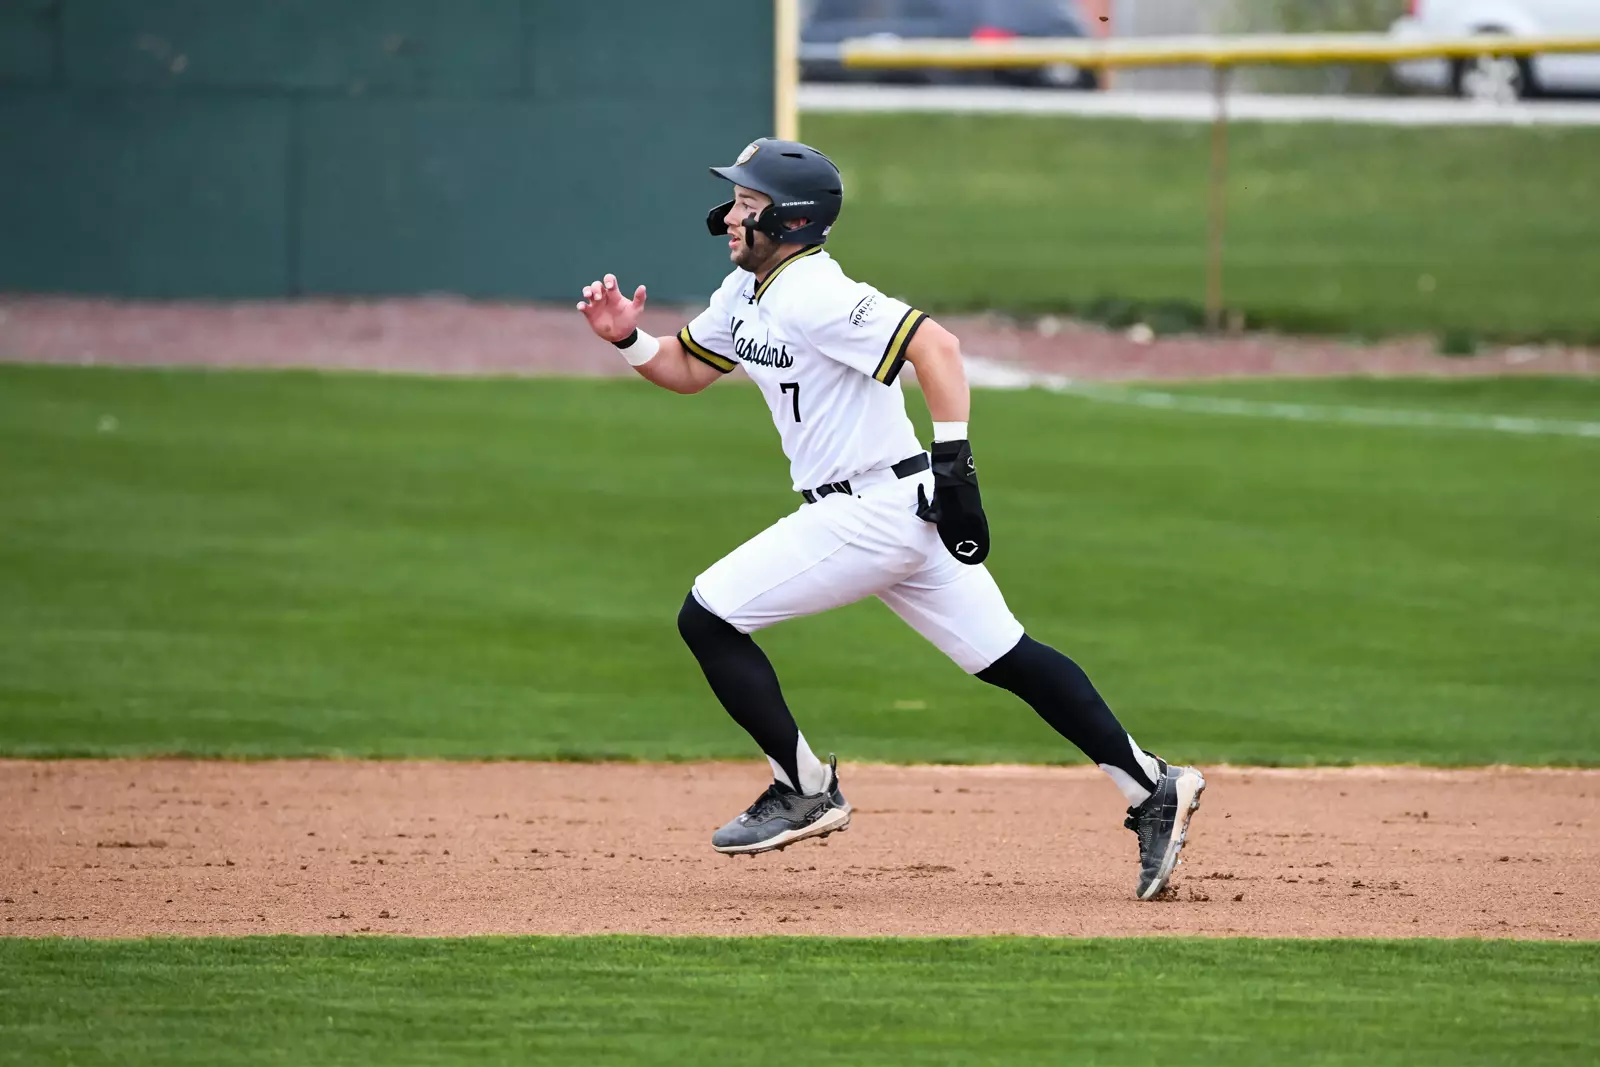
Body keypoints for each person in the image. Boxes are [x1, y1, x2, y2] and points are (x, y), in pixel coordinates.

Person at [576, 138, 1204, 900]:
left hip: (872, 509)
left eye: (749, 202)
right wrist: (626, 338)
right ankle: (1151, 785)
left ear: (792, 219)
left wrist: (956, 464)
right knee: (1008, 657)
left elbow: (937, 347)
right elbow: (687, 369)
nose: (732, 215)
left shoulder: (817, 292)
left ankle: (803, 786)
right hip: (888, 511)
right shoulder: (746, 293)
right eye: (736, 200)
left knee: (708, 615)